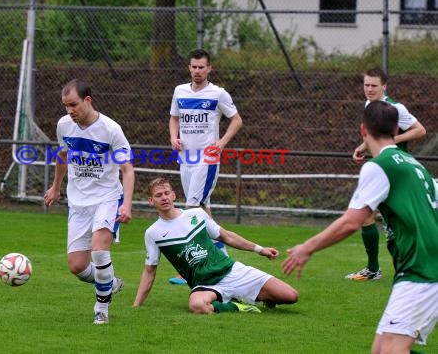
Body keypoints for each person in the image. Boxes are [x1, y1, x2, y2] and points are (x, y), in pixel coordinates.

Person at [283, 101, 438, 354]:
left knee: (390, 351)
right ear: (396, 129)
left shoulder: (380, 166)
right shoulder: (413, 164)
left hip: (422, 269)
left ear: (363, 130)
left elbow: (351, 221)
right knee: (380, 350)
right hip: (420, 266)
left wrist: (307, 247)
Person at [133, 177, 299, 314]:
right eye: (158, 195)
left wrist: (260, 249)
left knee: (291, 296)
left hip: (231, 270)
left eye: (167, 193)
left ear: (174, 195)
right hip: (205, 285)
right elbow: (149, 272)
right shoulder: (152, 233)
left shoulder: (196, 214)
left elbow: (227, 236)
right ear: (150, 200)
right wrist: (136, 306)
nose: (164, 198)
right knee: (196, 305)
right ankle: (236, 306)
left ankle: (259, 297)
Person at [43, 79, 134, 325]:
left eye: (73, 105)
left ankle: (101, 309)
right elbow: (62, 156)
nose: (69, 110)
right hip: (78, 202)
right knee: (77, 266)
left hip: (107, 198)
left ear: (88, 100)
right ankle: (110, 282)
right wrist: (55, 187)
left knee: (99, 250)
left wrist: (126, 204)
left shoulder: (111, 129)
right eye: (65, 106)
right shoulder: (64, 126)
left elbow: (127, 169)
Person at [168, 48, 243, 284]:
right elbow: (174, 118)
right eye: (194, 67)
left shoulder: (218, 94)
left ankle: (195, 264)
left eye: (202, 67)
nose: (197, 71)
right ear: (189, 67)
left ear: (209, 68)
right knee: (203, 208)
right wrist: (173, 137)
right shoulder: (179, 91)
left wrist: (221, 143)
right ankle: (220, 255)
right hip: (186, 158)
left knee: (192, 208)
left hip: (206, 159)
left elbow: (237, 120)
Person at [346, 68, 426, 281]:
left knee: (403, 225)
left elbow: (420, 130)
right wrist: (363, 147)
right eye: (366, 85)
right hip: (381, 168)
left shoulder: (396, 108)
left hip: (397, 170)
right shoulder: (368, 106)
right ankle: (373, 269)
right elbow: (375, 133)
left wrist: (391, 140)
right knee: (366, 214)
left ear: (384, 86)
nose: (369, 89)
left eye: (374, 85)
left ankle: (416, 269)